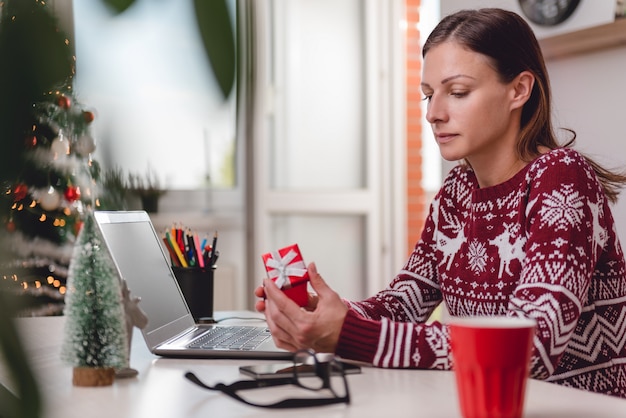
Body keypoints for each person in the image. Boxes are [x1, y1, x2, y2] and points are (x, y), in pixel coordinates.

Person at [255, 8, 626, 398]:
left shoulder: (560, 177)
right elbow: (402, 303)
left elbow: (531, 343)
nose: (433, 114)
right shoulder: (457, 192)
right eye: (429, 95)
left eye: (458, 92)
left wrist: (350, 335)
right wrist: (326, 314)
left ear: (519, 90)